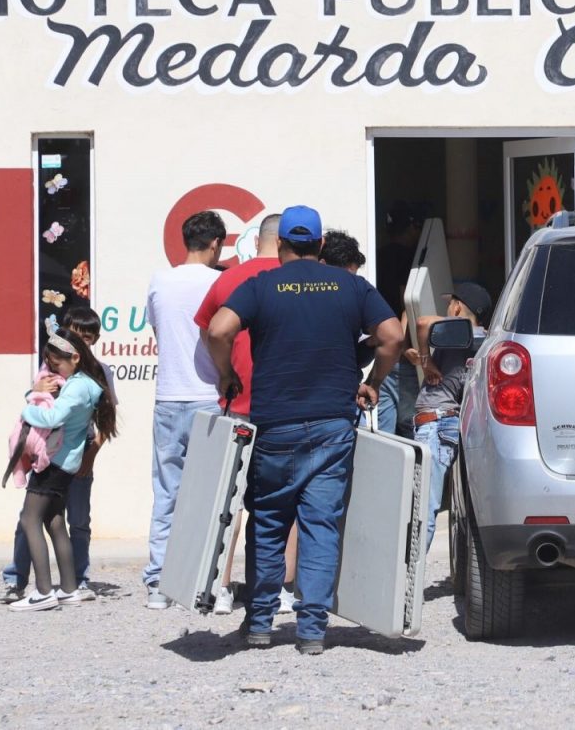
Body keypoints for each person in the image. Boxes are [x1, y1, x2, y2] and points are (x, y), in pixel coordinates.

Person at [206, 205, 404, 652]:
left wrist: (226, 375)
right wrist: (374, 382)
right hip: (333, 425)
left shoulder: (261, 285)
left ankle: (260, 624)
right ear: (320, 244)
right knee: (320, 525)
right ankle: (312, 630)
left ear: (280, 244)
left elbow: (218, 330)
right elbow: (392, 336)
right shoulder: (350, 286)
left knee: (269, 523)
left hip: (275, 425)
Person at [192, 213, 295, 616]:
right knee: (286, 502)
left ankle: (220, 587)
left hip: (239, 402)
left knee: (230, 499)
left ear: (256, 241)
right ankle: (281, 588)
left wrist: (225, 372)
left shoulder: (230, 278)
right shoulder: (298, 278)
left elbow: (209, 329)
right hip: (285, 405)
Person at [0, 306, 115, 602]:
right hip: (58, 452)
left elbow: (58, 417)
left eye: (86, 338)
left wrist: (90, 455)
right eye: (75, 335)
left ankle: (51, 589)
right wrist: (34, 390)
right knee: (50, 520)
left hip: (62, 454)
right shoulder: (59, 370)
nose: (79, 342)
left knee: (53, 519)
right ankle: (40, 583)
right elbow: (42, 399)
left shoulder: (85, 379)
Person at [142, 209, 227, 608]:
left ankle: (159, 583)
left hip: (168, 396)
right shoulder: (219, 282)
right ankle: (203, 581)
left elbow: (158, 330)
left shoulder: (160, 280)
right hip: (208, 395)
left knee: (166, 492)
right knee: (212, 496)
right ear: (216, 244)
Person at [409, 281, 491, 554]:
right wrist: (424, 358)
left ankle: (411, 574)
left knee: (423, 508)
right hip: (449, 423)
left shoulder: (459, 330)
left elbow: (422, 322)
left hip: (435, 424)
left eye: (450, 303)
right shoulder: (484, 338)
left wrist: (425, 360)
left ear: (457, 307)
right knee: (429, 504)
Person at [374, 203, 423, 436]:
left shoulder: (379, 255)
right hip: (400, 351)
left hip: (380, 346)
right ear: (412, 228)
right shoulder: (409, 258)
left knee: (384, 427)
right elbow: (407, 304)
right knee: (410, 424)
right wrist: (403, 346)